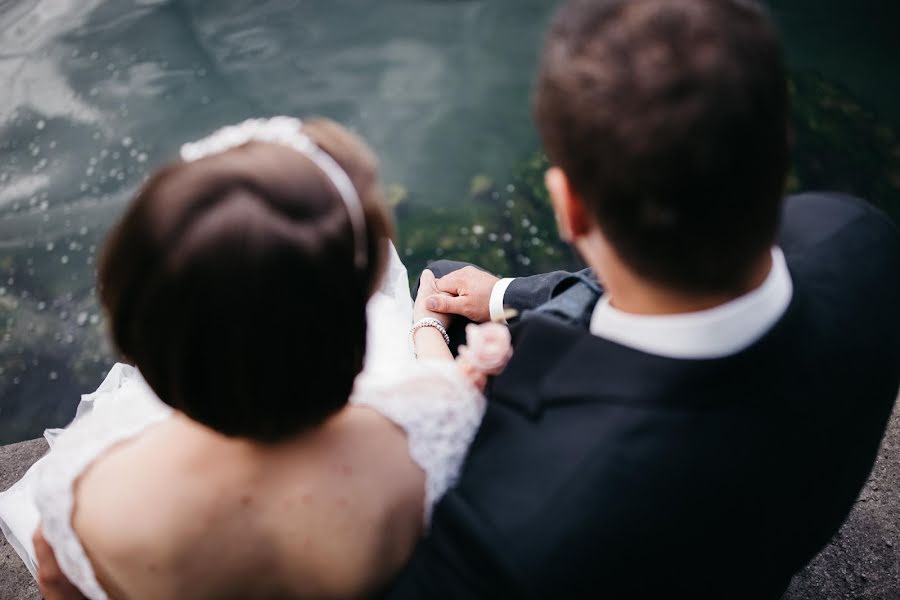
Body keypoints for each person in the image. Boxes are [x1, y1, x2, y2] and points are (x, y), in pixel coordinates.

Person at [387, 0, 900, 598]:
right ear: (780, 149)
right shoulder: (858, 238)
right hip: (772, 539)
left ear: (568, 206)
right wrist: (503, 294)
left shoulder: (516, 529)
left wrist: (445, 395)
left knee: (434, 293)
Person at [0, 116, 504, 599]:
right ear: (353, 333)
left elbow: (59, 586)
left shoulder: (88, 494)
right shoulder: (425, 437)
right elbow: (447, 385)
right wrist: (427, 325)